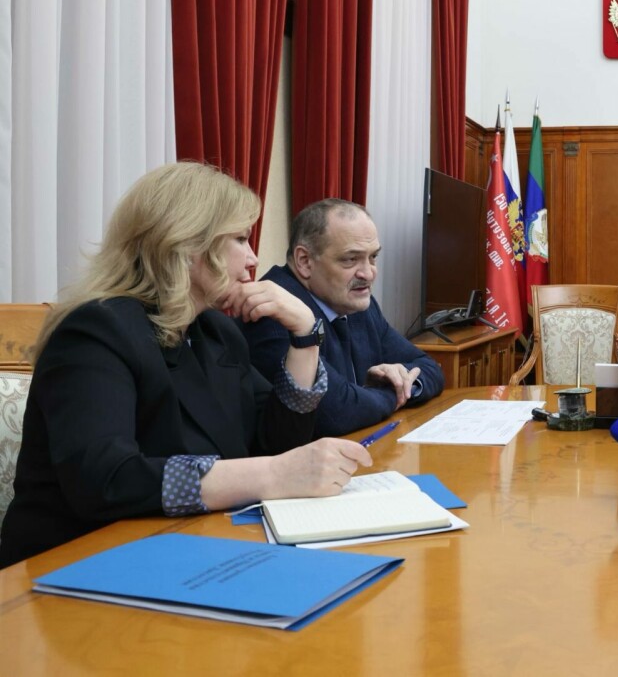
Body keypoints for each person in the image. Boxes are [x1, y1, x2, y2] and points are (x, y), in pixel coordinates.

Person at [0, 163, 371, 568]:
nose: (252, 258)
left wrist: (305, 336)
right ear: (187, 243)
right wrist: (273, 475)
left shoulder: (214, 330)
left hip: (183, 548)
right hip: (74, 566)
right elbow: (105, 479)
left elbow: (275, 444)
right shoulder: (95, 331)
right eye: (240, 238)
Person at [240, 199, 444, 438]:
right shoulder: (274, 312)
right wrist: (393, 391)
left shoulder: (356, 301)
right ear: (304, 261)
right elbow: (336, 413)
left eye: (373, 257)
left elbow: (429, 367)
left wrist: (401, 382)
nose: (368, 273)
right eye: (350, 259)